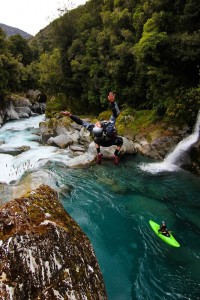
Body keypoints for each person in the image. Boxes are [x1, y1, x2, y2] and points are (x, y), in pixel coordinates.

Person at [61, 92, 123, 165]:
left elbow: (80, 122)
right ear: (101, 128)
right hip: (111, 141)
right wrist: (112, 102)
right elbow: (115, 114)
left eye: (96, 125)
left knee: (96, 140)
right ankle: (115, 155)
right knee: (120, 141)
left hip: (101, 142)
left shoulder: (92, 128)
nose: (96, 124)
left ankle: (99, 154)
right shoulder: (108, 127)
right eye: (97, 125)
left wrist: (70, 115)